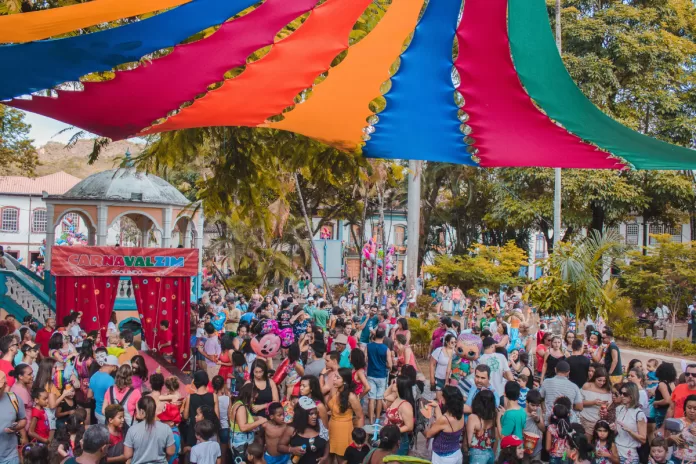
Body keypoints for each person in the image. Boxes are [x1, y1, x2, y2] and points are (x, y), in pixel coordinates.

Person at [124, 396, 176, 464]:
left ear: (142, 411)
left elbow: (127, 455)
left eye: (137, 410)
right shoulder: (166, 428)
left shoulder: (132, 430)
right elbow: (171, 451)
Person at [327, 368, 364, 463]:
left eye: (337, 377)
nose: (334, 379)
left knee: (342, 459)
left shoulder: (351, 397)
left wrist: (358, 437)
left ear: (344, 381)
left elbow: (360, 417)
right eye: (334, 376)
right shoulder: (335, 390)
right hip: (332, 427)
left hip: (343, 431)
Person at [280, 396, 329, 464]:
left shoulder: (320, 425)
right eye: (311, 414)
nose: (314, 416)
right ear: (302, 415)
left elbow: (326, 442)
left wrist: (325, 457)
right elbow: (280, 447)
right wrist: (291, 449)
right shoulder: (292, 429)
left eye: (315, 413)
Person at [424, 386, 465, 464]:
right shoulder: (460, 413)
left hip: (443, 458)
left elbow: (428, 434)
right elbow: (443, 424)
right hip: (456, 453)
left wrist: (424, 424)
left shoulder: (445, 419)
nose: (441, 397)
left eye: (443, 396)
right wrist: (436, 407)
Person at [183, 370, 217, 451]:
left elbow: (185, 416)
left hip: (193, 432)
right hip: (209, 432)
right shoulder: (213, 396)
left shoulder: (190, 397)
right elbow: (216, 416)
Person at [614, 382, 647, 464]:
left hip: (629, 453)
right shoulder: (619, 409)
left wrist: (629, 431)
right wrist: (613, 427)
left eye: (625, 394)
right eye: (621, 393)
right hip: (616, 449)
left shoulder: (639, 414)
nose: (622, 396)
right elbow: (617, 431)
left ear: (632, 395)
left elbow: (643, 439)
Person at [366, 327, 392, 424]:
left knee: (371, 399)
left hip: (371, 374)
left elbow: (365, 360)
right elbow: (389, 364)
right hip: (381, 375)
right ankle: (377, 421)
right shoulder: (386, 349)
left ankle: (371, 421)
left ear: (375, 334)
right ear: (384, 337)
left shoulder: (368, 346)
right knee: (379, 398)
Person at [579, 366, 612, 440]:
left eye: (604, 381)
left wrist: (605, 408)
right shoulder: (587, 386)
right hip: (586, 418)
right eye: (599, 380)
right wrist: (593, 402)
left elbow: (609, 405)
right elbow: (579, 402)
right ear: (595, 378)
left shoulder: (608, 389)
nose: (602, 383)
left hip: (599, 420)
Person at [467, 388, 497, 464]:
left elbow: (469, 442)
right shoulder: (494, 416)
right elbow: (495, 438)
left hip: (476, 456)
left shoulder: (472, 417)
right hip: (490, 453)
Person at [89, 354, 118, 425]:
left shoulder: (94, 375)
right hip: (106, 414)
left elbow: (89, 395)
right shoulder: (110, 380)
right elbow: (113, 399)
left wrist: (98, 397)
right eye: (116, 367)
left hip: (97, 412)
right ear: (113, 367)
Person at [431, 333, 455, 402]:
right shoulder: (439, 350)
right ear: (447, 342)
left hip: (451, 379)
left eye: (455, 342)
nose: (453, 344)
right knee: (440, 399)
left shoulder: (456, 353)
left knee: (448, 399)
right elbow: (432, 364)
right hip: (439, 378)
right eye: (452, 342)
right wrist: (432, 378)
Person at [652, 362, 676, 428]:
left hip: (661, 412)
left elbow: (667, 400)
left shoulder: (662, 384)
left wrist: (656, 402)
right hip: (668, 411)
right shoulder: (671, 384)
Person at [523, 389, 546, 462]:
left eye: (537, 405)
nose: (535, 408)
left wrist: (537, 420)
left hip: (537, 449)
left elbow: (543, 429)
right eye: (532, 405)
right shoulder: (521, 413)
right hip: (524, 449)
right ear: (527, 402)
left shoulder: (539, 410)